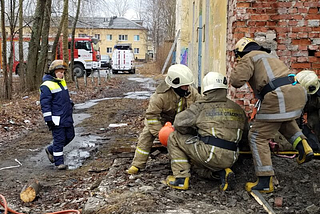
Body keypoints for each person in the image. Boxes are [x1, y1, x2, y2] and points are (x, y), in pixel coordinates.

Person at [230, 37, 313, 193]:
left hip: (278, 95)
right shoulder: (269, 56)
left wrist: (239, 64)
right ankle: (304, 147)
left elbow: (236, 81)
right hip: (298, 92)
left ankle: (264, 181)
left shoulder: (249, 57)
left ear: (240, 52)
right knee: (281, 119)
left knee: (256, 136)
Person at [165, 72, 247, 191]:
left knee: (174, 137)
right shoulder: (237, 108)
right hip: (232, 157)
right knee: (197, 166)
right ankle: (222, 173)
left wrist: (190, 131)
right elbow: (245, 136)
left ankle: (181, 179)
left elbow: (178, 123)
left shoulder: (200, 107)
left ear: (206, 89)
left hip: (209, 154)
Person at [127, 64, 201, 174]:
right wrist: (161, 134)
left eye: (187, 85)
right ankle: (137, 164)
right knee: (146, 134)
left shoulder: (192, 93)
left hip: (182, 121)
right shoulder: (160, 96)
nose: (186, 88)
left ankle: (194, 161)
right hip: (162, 121)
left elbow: (201, 106)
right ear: (175, 84)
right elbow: (152, 116)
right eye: (184, 86)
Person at [40, 60, 75, 170]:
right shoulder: (46, 86)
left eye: (63, 72)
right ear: (53, 72)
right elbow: (45, 104)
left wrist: (70, 103)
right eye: (59, 72)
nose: (62, 74)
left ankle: (51, 149)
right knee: (59, 140)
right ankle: (59, 163)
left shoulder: (62, 82)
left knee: (70, 136)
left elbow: (64, 97)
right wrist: (48, 119)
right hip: (56, 119)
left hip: (67, 116)